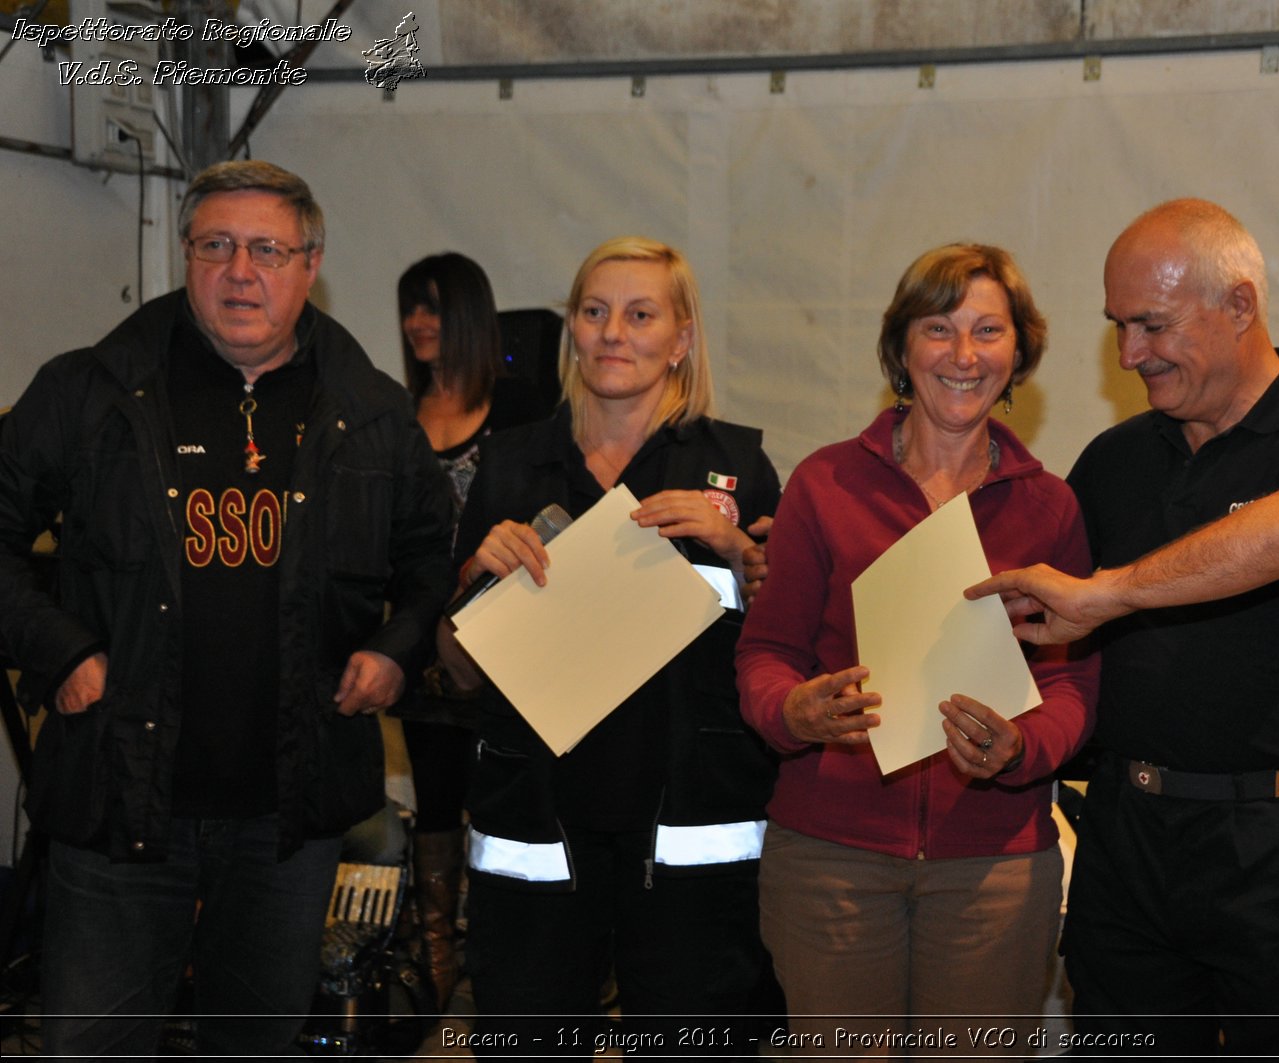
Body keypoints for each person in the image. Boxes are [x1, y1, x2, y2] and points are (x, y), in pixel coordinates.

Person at [0, 160, 455, 1058]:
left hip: (285, 819)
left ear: (310, 262)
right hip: (119, 804)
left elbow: (428, 559)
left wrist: (399, 646)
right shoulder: (90, 392)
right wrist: (56, 648)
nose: (240, 271)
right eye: (216, 246)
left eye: (267, 249)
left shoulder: (372, 413)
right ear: (185, 255)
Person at [967, 199, 1279, 1055]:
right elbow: (1022, 595)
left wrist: (1114, 592)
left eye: (1153, 325)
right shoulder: (1116, 460)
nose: (1130, 355)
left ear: (1240, 307)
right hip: (1128, 838)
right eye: (1118, 327)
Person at [735, 243, 1099, 1056]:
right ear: (902, 347)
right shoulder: (825, 485)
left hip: (994, 871)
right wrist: (794, 708)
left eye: (987, 331)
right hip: (831, 861)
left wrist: (1022, 746)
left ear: (1019, 352)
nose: (964, 356)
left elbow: (1074, 683)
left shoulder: (1052, 507)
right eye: (939, 328)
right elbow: (764, 654)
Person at [438, 236, 782, 1055]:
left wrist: (742, 551)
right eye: (594, 312)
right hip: (539, 843)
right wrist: (473, 589)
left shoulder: (737, 466)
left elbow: (788, 646)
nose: (613, 333)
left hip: (689, 850)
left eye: (639, 314)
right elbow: (453, 674)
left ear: (682, 337)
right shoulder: (514, 466)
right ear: (572, 327)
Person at [391, 251, 550, 1010]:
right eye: (408, 308)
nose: (418, 323)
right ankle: (437, 959)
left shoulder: (521, 414)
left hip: (507, 640)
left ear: (466, 316)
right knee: (435, 799)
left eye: (432, 306)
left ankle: (503, 948)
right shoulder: (394, 415)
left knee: (505, 798)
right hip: (422, 640)